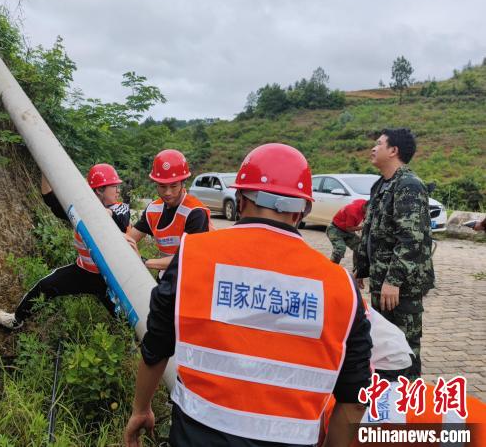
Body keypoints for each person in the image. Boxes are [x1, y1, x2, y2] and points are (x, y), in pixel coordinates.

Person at [124, 143, 372, 447]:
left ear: (240, 200)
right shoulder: (341, 286)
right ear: (303, 211)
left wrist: (140, 409)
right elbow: (355, 399)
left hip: (196, 436)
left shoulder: (193, 258)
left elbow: (156, 347)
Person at [0, 164, 131, 330]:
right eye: (115, 186)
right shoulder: (80, 211)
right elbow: (51, 200)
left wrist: (105, 213)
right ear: (100, 190)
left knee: (127, 320)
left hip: (108, 279)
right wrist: (44, 166)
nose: (118, 190)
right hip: (82, 271)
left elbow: (123, 219)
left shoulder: (119, 208)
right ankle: (15, 320)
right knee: (45, 287)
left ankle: (141, 344)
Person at [356, 128, 434, 380]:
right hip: (382, 283)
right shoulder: (381, 185)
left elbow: (412, 238)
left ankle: (409, 407)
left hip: (401, 287)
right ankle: (387, 404)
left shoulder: (408, 185)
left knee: (405, 350)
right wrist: (362, 268)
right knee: (385, 349)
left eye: (378, 143)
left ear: (393, 150)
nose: (373, 148)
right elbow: (371, 230)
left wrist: (394, 280)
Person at [128, 149, 211, 276]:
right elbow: (129, 239)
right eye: (162, 186)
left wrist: (144, 261)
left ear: (183, 184)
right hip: (166, 278)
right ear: (156, 184)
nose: (167, 192)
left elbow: (187, 257)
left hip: (191, 279)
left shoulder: (195, 212)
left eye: (173, 186)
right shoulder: (153, 209)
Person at [326, 199, 367, 267]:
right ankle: (332, 268)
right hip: (335, 229)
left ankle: (357, 272)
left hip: (347, 231)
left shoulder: (363, 202)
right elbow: (349, 228)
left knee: (360, 247)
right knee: (340, 249)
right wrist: (362, 227)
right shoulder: (353, 212)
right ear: (365, 207)